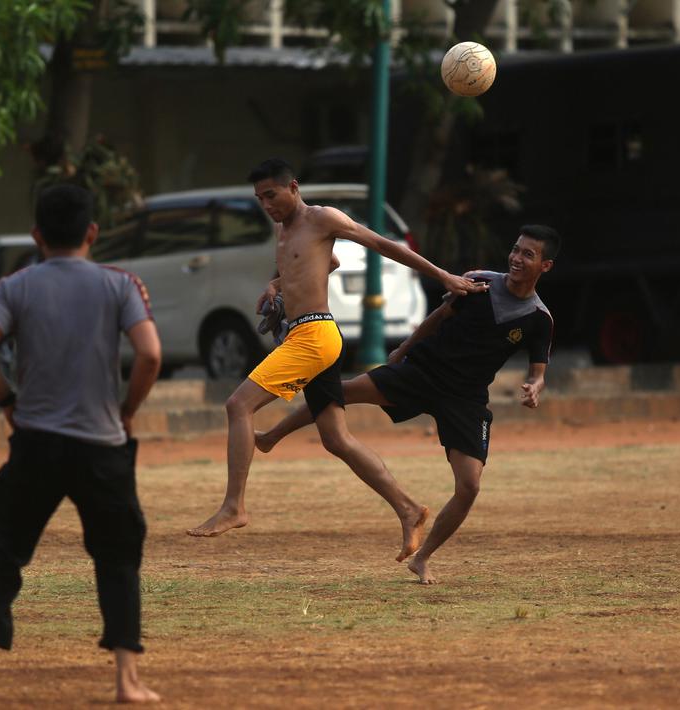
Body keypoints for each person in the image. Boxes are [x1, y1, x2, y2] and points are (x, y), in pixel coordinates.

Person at [185, 158, 485, 562]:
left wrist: (444, 277)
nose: (266, 205)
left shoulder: (323, 218)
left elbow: (382, 244)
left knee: (238, 405)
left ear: (293, 187)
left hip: (314, 336)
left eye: (271, 195)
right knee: (336, 439)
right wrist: (275, 286)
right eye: (259, 199)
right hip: (307, 334)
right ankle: (409, 509)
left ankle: (234, 507)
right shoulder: (283, 228)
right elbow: (330, 262)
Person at [0, 185, 163, 704]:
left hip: (35, 441)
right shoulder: (121, 284)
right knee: (118, 556)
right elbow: (149, 355)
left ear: (37, 235)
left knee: (6, 548)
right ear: (92, 233)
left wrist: (6, 399)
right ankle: (127, 679)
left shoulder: (15, 286)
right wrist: (125, 410)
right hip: (102, 444)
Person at [256, 225, 559, 584]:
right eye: (515, 249)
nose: (516, 258)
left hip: (466, 397)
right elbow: (437, 319)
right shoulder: (479, 282)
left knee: (470, 487)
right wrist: (402, 350)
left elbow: (538, 370)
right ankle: (272, 435)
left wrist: (535, 386)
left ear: (545, 266)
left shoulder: (539, 319)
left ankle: (423, 558)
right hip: (423, 371)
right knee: (344, 391)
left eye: (528, 254)